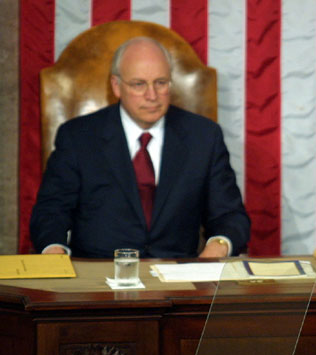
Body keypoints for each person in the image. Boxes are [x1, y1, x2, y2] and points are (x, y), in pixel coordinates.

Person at [30, 37, 250, 258]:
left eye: (161, 83)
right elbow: (51, 211)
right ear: (116, 86)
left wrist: (217, 247)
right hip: (97, 274)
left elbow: (230, 216)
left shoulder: (203, 136)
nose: (152, 95)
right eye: (139, 84)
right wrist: (54, 251)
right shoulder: (78, 137)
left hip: (177, 275)